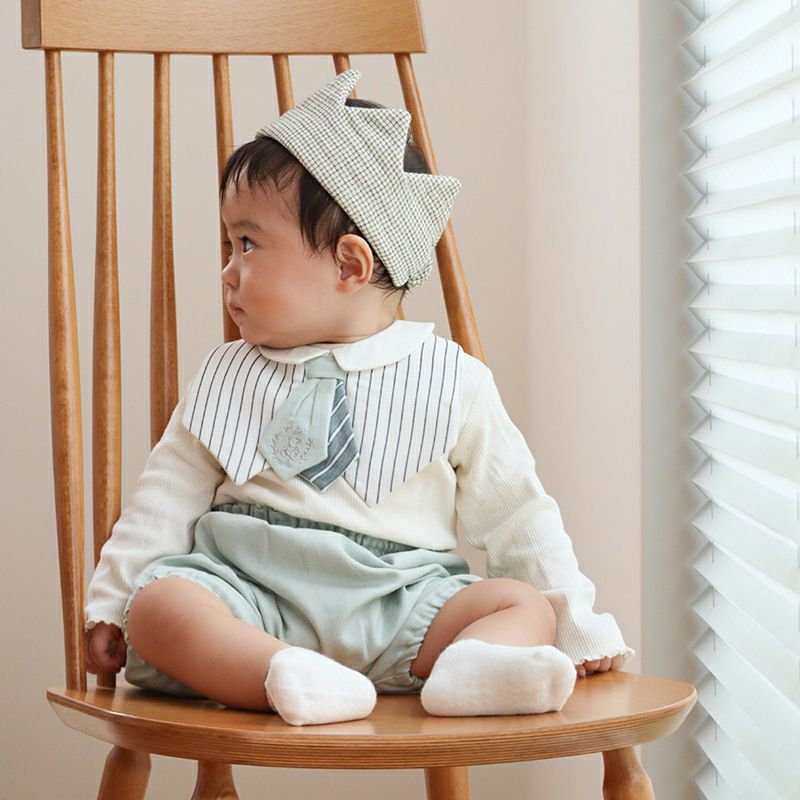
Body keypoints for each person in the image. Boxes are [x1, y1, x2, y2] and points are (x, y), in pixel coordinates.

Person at [83, 68, 635, 727]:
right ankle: (281, 673)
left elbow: (518, 513)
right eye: (229, 245)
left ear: (350, 264)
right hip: (250, 595)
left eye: (247, 244)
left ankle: (469, 670)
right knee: (161, 606)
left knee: (522, 605)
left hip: (403, 604)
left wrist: (575, 622)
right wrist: (112, 600)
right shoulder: (225, 375)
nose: (228, 270)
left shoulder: (453, 379)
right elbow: (163, 499)